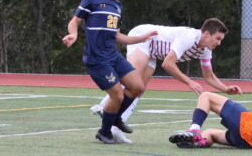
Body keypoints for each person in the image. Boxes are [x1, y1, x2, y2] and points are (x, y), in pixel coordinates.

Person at [90, 18, 243, 134]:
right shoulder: (189, 37)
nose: (219, 43)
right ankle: (105, 108)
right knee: (133, 80)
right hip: (144, 37)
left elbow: (208, 76)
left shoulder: (205, 49)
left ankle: (115, 125)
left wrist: (226, 89)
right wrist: (189, 82)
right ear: (207, 33)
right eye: (218, 39)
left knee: (139, 89)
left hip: (153, 52)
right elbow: (168, 64)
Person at [62, 0, 156, 144]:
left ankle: (115, 118)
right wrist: (73, 34)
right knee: (118, 95)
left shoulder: (118, 6)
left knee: (138, 87)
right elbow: (74, 22)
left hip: (113, 56)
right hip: (97, 60)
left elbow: (117, 36)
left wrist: (142, 38)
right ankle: (105, 132)